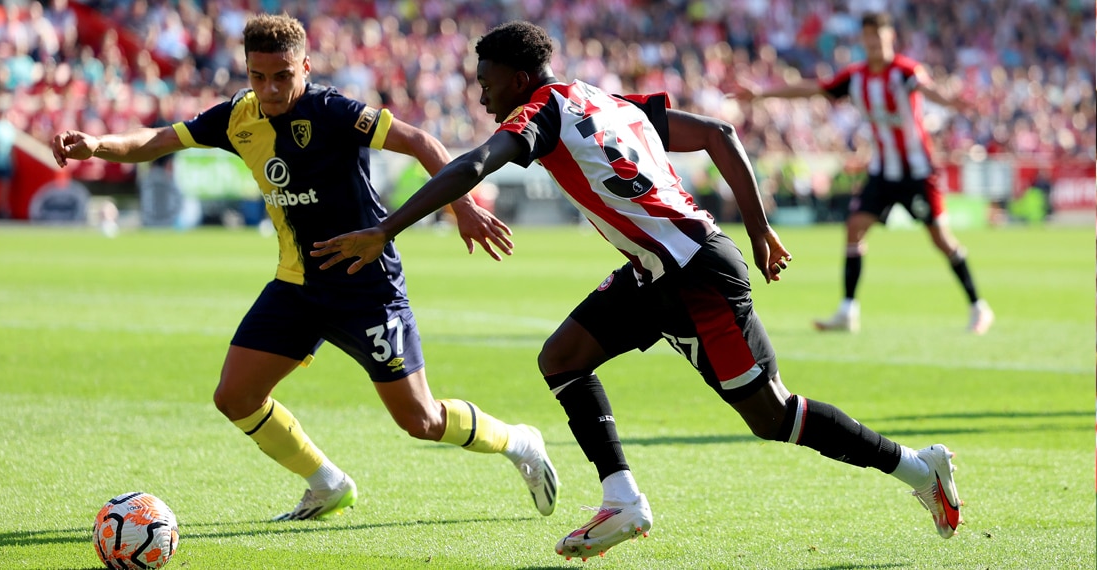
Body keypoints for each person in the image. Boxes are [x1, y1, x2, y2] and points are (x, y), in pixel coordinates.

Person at [312, 20, 963, 560]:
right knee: (562, 359)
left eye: (486, 85)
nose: (482, 98)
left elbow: (475, 162)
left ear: (516, 79)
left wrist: (387, 228)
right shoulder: (602, 99)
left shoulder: (540, 112)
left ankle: (918, 466)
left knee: (772, 416)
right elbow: (718, 135)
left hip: (697, 275)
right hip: (657, 272)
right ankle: (622, 499)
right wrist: (759, 232)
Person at [50, 14, 558, 522]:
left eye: (282, 76)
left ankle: (519, 443)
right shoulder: (237, 117)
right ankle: (327, 483)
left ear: (306, 68)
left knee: (421, 420)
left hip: (366, 283)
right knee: (235, 396)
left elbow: (422, 142)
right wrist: (98, 145)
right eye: (258, 76)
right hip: (297, 284)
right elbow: (160, 140)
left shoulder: (332, 110)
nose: (270, 89)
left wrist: (463, 208)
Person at [736, 11, 994, 334]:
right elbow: (814, 89)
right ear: (863, 40)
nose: (873, 42)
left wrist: (952, 102)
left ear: (890, 39)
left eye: (879, 36)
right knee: (854, 228)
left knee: (941, 239)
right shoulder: (855, 77)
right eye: (868, 36)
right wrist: (761, 94)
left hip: (917, 173)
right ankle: (848, 310)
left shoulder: (905, 72)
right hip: (883, 172)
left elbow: (929, 91)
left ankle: (978, 306)